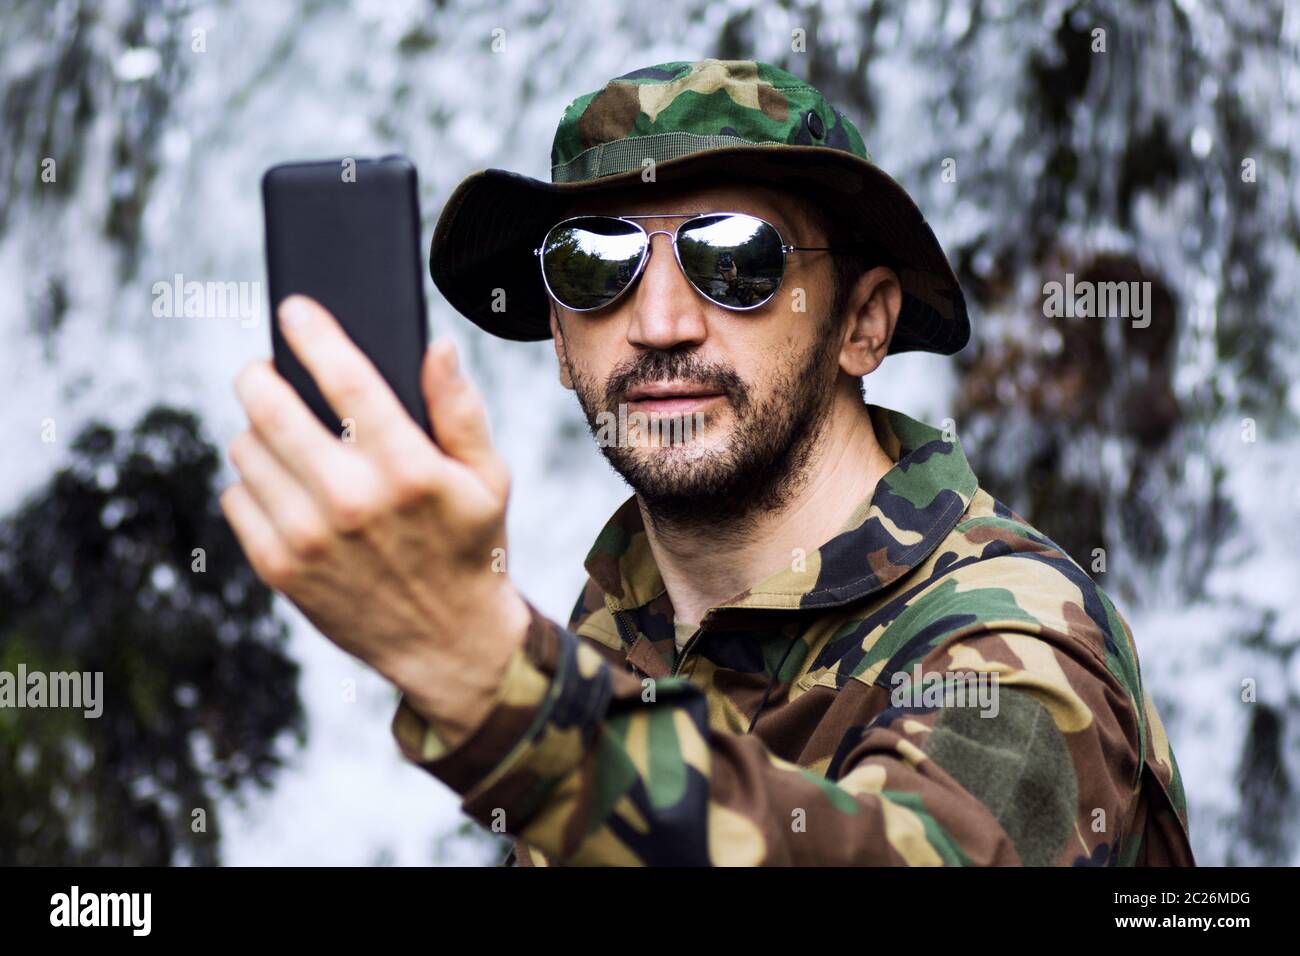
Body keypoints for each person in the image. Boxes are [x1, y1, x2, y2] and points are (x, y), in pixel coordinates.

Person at [222, 59, 1194, 866]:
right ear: (559, 340)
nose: (658, 324)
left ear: (861, 324)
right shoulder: (621, 622)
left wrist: (481, 671)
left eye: (735, 260)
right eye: (594, 265)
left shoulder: (1011, 639)